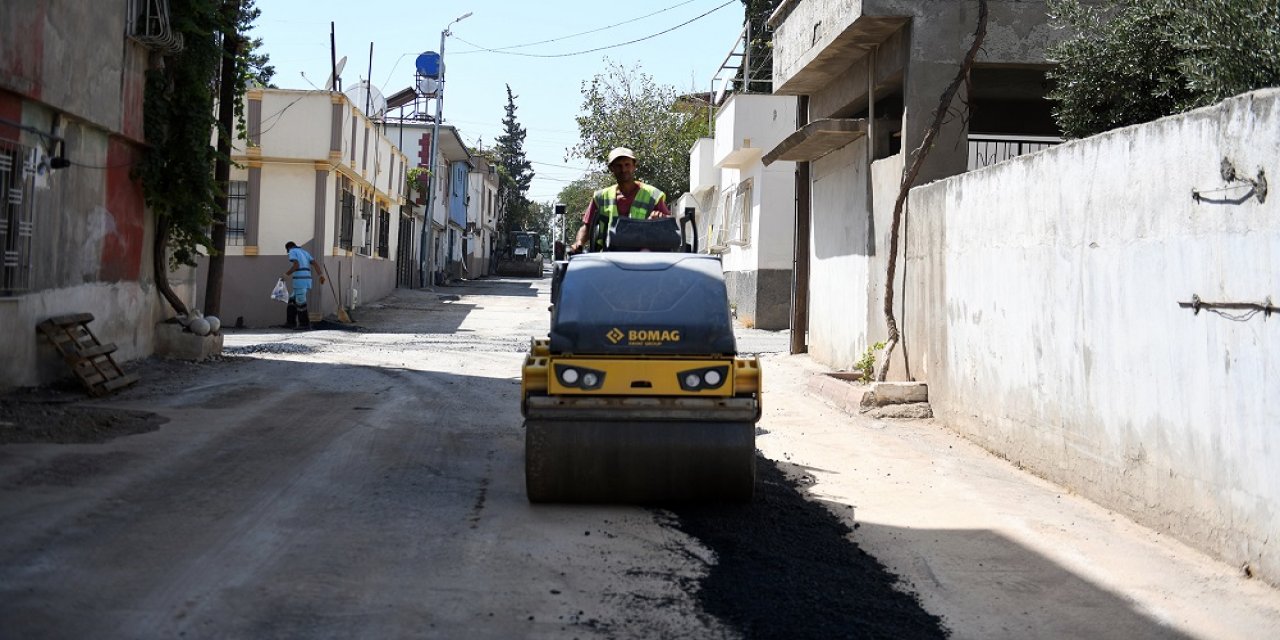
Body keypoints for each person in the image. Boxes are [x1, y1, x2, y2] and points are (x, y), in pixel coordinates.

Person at [570, 147, 670, 253]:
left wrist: (659, 220)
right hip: (609, 256)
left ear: (634, 166)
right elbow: (587, 227)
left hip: (643, 257)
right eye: (619, 166)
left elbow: (669, 226)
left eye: (627, 165)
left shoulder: (652, 195)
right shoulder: (601, 197)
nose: (623, 170)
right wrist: (579, 243)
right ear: (611, 168)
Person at [283, 241, 325, 329]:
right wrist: (320, 275)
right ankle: (290, 323)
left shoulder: (292, 251)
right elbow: (315, 263)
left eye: (287, 251)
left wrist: (286, 274)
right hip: (307, 280)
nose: (288, 253)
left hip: (300, 281)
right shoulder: (305, 252)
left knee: (301, 302)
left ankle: (304, 324)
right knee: (292, 301)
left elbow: (296, 265)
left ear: (288, 248)